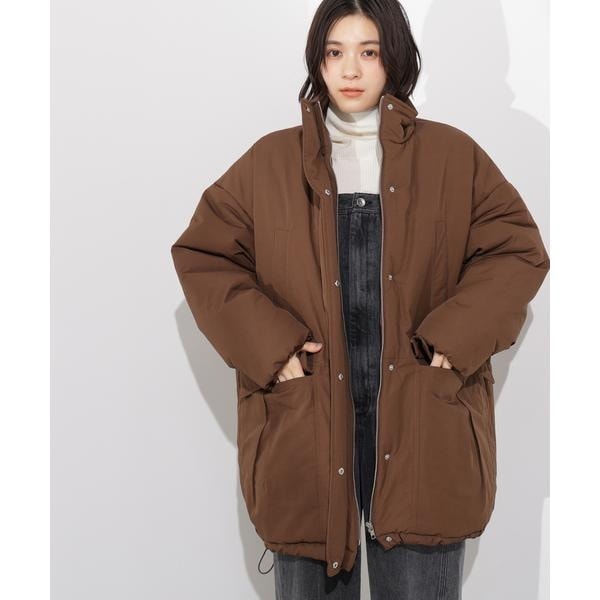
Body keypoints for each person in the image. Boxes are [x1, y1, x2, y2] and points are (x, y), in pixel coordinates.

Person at [170, 1, 550, 598]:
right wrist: (276, 351)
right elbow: (204, 254)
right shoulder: (270, 162)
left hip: (421, 407)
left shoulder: (453, 157)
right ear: (317, 61)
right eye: (335, 52)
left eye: (368, 52)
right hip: (309, 413)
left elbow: (516, 251)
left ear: (393, 57)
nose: (350, 70)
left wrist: (453, 342)